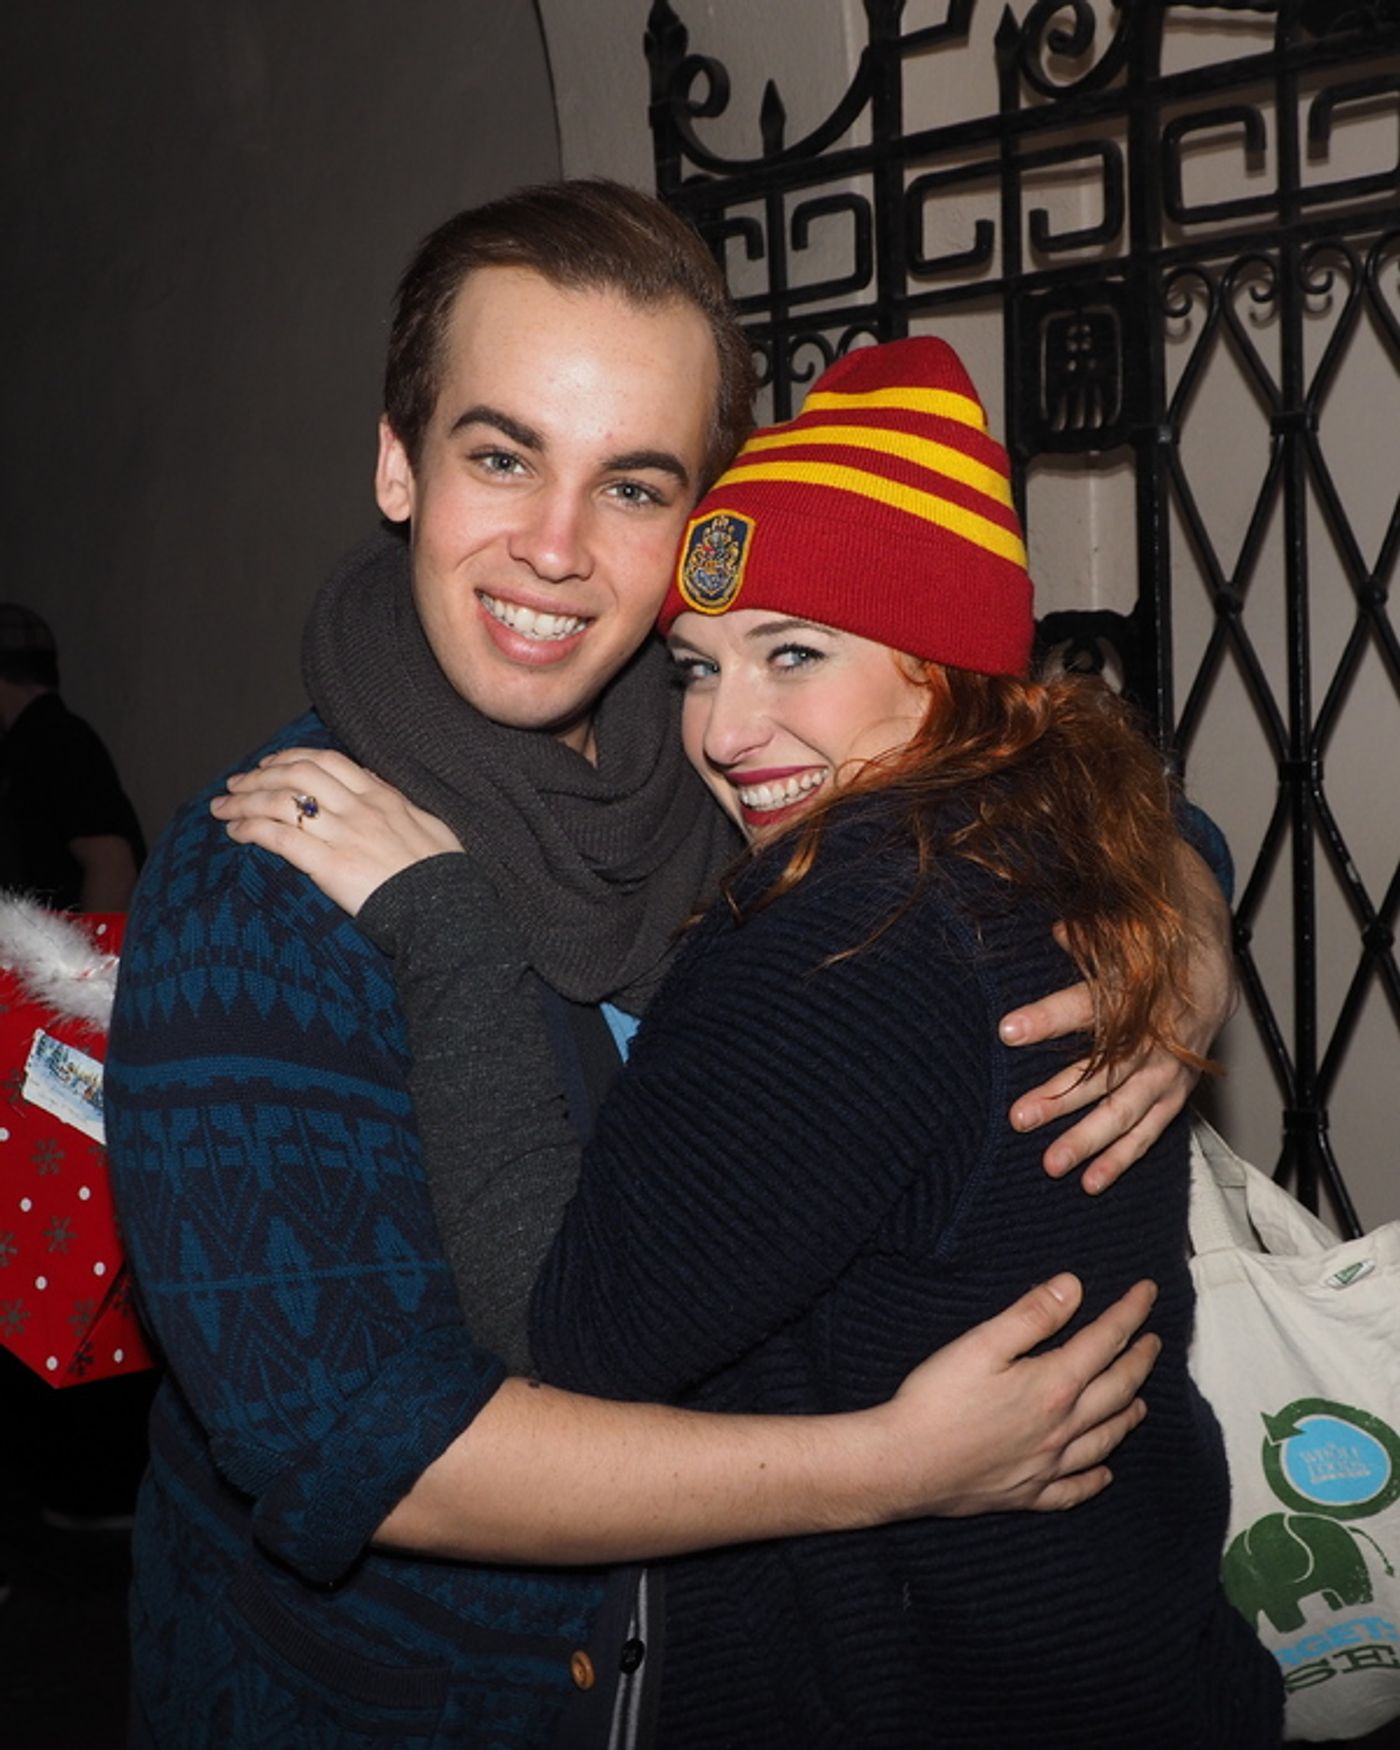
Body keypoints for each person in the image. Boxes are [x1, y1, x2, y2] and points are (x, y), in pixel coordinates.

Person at [111, 183, 1231, 1748]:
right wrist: (894, 1462)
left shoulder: (754, 783)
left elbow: (1022, 775)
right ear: (397, 463)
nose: (557, 550)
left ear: (707, 521)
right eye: (501, 456)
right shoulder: (267, 882)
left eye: (634, 488)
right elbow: (371, 1447)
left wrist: (1175, 926)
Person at [0, 603, 145, 911]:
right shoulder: (45, 740)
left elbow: (112, 866)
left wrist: (81, 959)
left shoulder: (56, 740)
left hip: (57, 954)